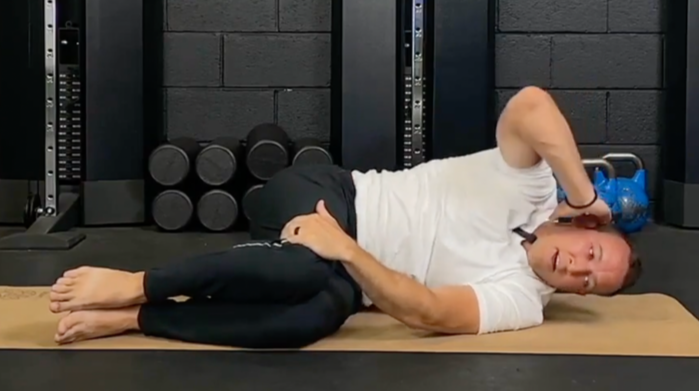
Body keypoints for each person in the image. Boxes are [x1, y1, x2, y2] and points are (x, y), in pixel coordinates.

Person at [48, 86, 642, 347]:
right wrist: (586, 195)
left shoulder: (523, 301)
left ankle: (138, 320)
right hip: (325, 193)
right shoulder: (532, 182)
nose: (579, 271)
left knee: (311, 317)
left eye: (590, 284)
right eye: (593, 255)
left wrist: (348, 252)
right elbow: (532, 105)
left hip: (337, 266)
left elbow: (431, 313)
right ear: (586, 228)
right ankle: (137, 283)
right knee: (307, 275)